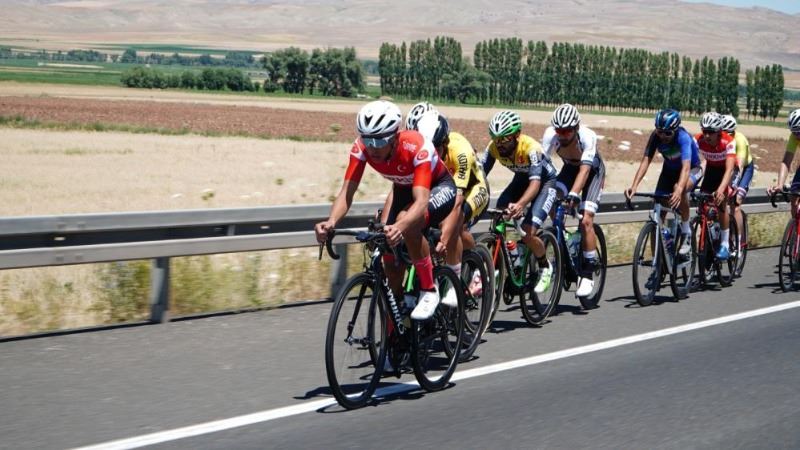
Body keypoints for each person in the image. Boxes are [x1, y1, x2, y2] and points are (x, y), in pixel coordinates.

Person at [314, 100, 456, 320]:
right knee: (388, 255)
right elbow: (346, 193)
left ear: (395, 137)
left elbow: (420, 202)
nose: (372, 148)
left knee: (406, 222)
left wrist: (400, 226)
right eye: (367, 139)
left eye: (379, 141)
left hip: (438, 187)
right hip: (403, 189)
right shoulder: (361, 148)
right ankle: (395, 323)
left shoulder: (416, 146)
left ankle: (429, 290)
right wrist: (331, 221)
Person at [412, 110, 490, 300]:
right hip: (447, 188)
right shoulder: (422, 153)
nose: (433, 154)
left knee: (456, 224)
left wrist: (445, 239)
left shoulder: (460, 152)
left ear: (445, 143)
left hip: (473, 189)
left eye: (436, 148)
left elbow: (456, 202)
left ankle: (476, 266)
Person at [479, 110, 559, 294]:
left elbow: (535, 184)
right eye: (495, 139)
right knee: (499, 211)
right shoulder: (493, 147)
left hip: (544, 182)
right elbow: (480, 175)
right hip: (522, 179)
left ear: (516, 135)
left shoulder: (531, 148)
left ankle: (545, 266)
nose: (499, 144)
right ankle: (509, 257)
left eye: (504, 139)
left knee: (528, 232)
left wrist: (521, 204)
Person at [542, 103, 604, 298]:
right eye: (559, 131)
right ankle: (565, 240)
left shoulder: (587, 136)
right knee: (550, 199)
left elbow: (584, 171)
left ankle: (588, 270)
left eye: (567, 131)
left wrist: (574, 194)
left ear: (576, 128)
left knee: (586, 220)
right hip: (569, 170)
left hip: (592, 172)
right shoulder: (550, 135)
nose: (562, 135)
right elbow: (542, 165)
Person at [626, 108, 702, 258]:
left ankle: (686, 233)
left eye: (667, 133)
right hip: (669, 171)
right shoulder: (655, 137)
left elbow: (686, 167)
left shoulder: (683, 138)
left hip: (692, 169)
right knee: (658, 215)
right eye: (660, 131)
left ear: (676, 130)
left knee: (679, 188)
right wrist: (634, 186)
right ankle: (658, 261)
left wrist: (679, 190)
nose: (663, 136)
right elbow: (646, 160)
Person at [694, 111, 736, 261]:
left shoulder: (728, 141)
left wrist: (721, 189)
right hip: (711, 170)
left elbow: (729, 169)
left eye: (710, 132)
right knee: (702, 206)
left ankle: (725, 243)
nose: (706, 135)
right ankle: (708, 236)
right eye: (704, 131)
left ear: (719, 132)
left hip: (726, 171)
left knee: (721, 203)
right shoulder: (698, 139)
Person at [720, 114, 755, 260]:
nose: (725, 137)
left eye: (729, 133)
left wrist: (733, 187)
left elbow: (739, 166)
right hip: (728, 167)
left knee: (736, 202)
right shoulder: (719, 140)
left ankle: (737, 241)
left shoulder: (740, 140)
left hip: (744, 169)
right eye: (722, 133)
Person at [768, 108, 800, 215]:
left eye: (798, 132)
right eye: (793, 132)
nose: (796, 136)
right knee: (794, 199)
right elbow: (786, 161)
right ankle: (795, 224)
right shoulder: (794, 137)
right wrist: (780, 184)